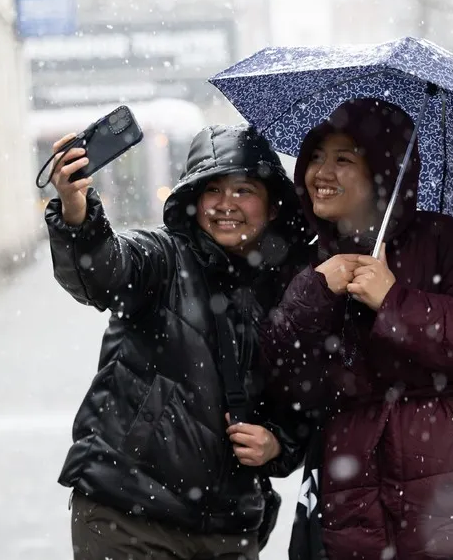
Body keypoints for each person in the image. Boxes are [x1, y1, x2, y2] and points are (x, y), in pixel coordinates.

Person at [263, 99, 453, 560]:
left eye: (343, 159)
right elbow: (284, 375)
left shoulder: (440, 239)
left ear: (383, 173)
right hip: (358, 500)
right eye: (315, 157)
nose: (321, 172)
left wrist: (396, 302)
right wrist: (315, 293)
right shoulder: (308, 257)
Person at [45, 124, 313, 560]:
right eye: (213, 190)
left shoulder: (296, 290)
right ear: (193, 199)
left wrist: (280, 443)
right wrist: (77, 210)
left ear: (271, 203)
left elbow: (310, 399)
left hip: (230, 529)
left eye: (243, 190)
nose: (226, 205)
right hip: (127, 518)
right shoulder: (162, 258)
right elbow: (103, 271)